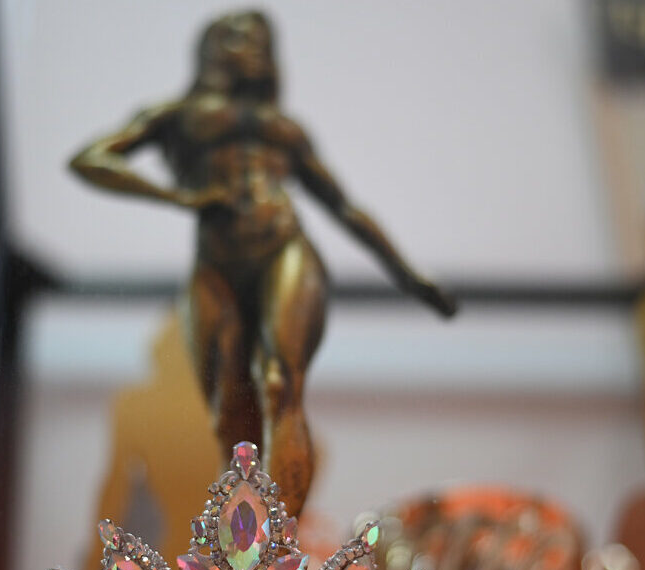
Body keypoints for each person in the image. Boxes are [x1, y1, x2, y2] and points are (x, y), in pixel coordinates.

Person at [71, 11, 456, 514]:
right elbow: (91, 158)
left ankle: (281, 541)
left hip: (283, 247)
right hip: (218, 261)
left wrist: (408, 275)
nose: (252, 45)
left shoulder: (283, 129)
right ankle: (241, 544)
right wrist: (177, 198)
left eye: (260, 38)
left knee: (279, 382)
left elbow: (343, 206)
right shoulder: (177, 116)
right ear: (212, 47)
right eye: (238, 36)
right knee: (229, 412)